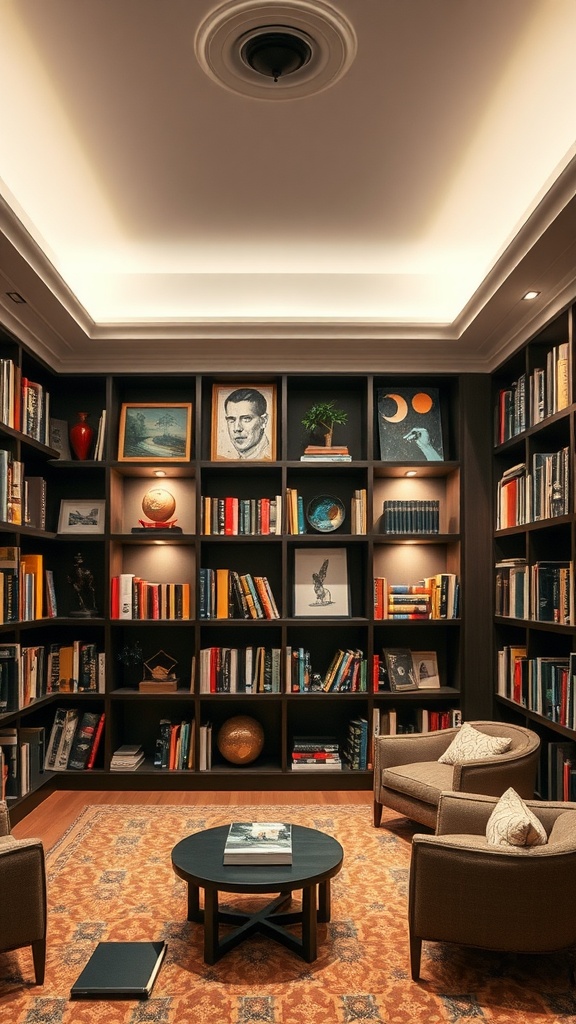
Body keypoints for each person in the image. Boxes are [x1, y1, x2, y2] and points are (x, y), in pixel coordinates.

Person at [223, 387, 270, 459]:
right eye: (231, 420)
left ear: (263, 421)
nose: (237, 428)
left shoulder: (269, 457)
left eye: (246, 419)